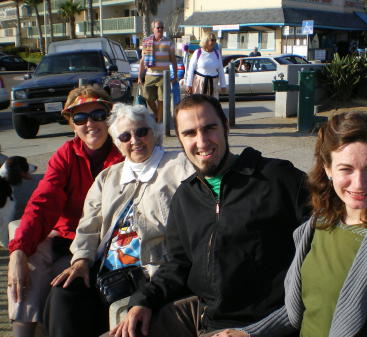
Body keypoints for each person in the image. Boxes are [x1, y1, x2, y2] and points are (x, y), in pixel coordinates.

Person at [110, 94, 310, 337]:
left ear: (225, 126)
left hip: (267, 326)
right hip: (209, 322)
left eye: (209, 128)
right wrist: (143, 300)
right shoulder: (186, 197)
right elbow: (178, 264)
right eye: (190, 133)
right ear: (180, 139)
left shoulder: (277, 178)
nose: (202, 142)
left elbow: (322, 243)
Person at [213, 111, 367, 337]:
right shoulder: (319, 223)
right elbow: (299, 313)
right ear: (328, 169)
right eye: (346, 169)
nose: (359, 183)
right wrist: (248, 333)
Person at [43, 103, 194, 337]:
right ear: (117, 142)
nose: (135, 140)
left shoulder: (179, 165)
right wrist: (81, 259)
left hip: (151, 270)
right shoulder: (108, 177)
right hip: (106, 271)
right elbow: (89, 225)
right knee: (63, 292)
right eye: (125, 136)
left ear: (154, 132)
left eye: (142, 131)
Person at [7, 86, 124, 337]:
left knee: (59, 281)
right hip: (67, 238)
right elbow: (42, 203)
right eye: (80, 118)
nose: (90, 123)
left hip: (105, 244)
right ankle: (22, 330)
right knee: (30, 255)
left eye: (98, 114)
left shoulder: (124, 152)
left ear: (109, 118)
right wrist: (17, 251)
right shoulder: (66, 155)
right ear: (72, 125)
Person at [138, 19, 177, 123]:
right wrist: (139, 76)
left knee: (161, 100)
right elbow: (142, 60)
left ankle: (160, 123)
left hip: (164, 75)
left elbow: (173, 59)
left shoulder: (169, 41)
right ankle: (156, 113)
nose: (160, 29)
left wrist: (176, 75)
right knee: (148, 97)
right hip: (150, 74)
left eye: (162, 27)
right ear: (153, 29)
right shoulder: (146, 41)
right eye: (158, 27)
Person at [185, 33, 226, 99]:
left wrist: (223, 85)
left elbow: (221, 69)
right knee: (199, 105)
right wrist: (189, 84)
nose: (214, 42)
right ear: (205, 40)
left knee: (213, 105)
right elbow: (191, 69)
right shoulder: (198, 52)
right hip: (200, 83)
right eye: (212, 40)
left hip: (213, 83)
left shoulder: (217, 53)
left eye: (215, 40)